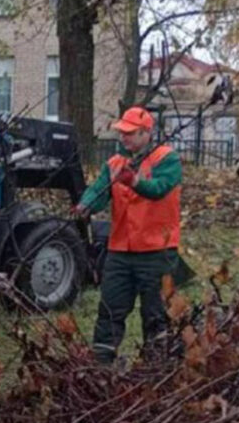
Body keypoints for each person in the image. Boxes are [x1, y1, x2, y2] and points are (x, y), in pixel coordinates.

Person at [72, 106, 183, 363]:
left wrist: (133, 181)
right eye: (122, 133)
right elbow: (99, 190)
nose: (124, 138)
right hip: (120, 250)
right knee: (110, 309)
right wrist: (85, 206)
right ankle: (101, 367)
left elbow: (159, 189)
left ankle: (157, 367)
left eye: (130, 133)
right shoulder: (114, 164)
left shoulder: (167, 159)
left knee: (156, 314)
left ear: (146, 133)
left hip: (158, 251)